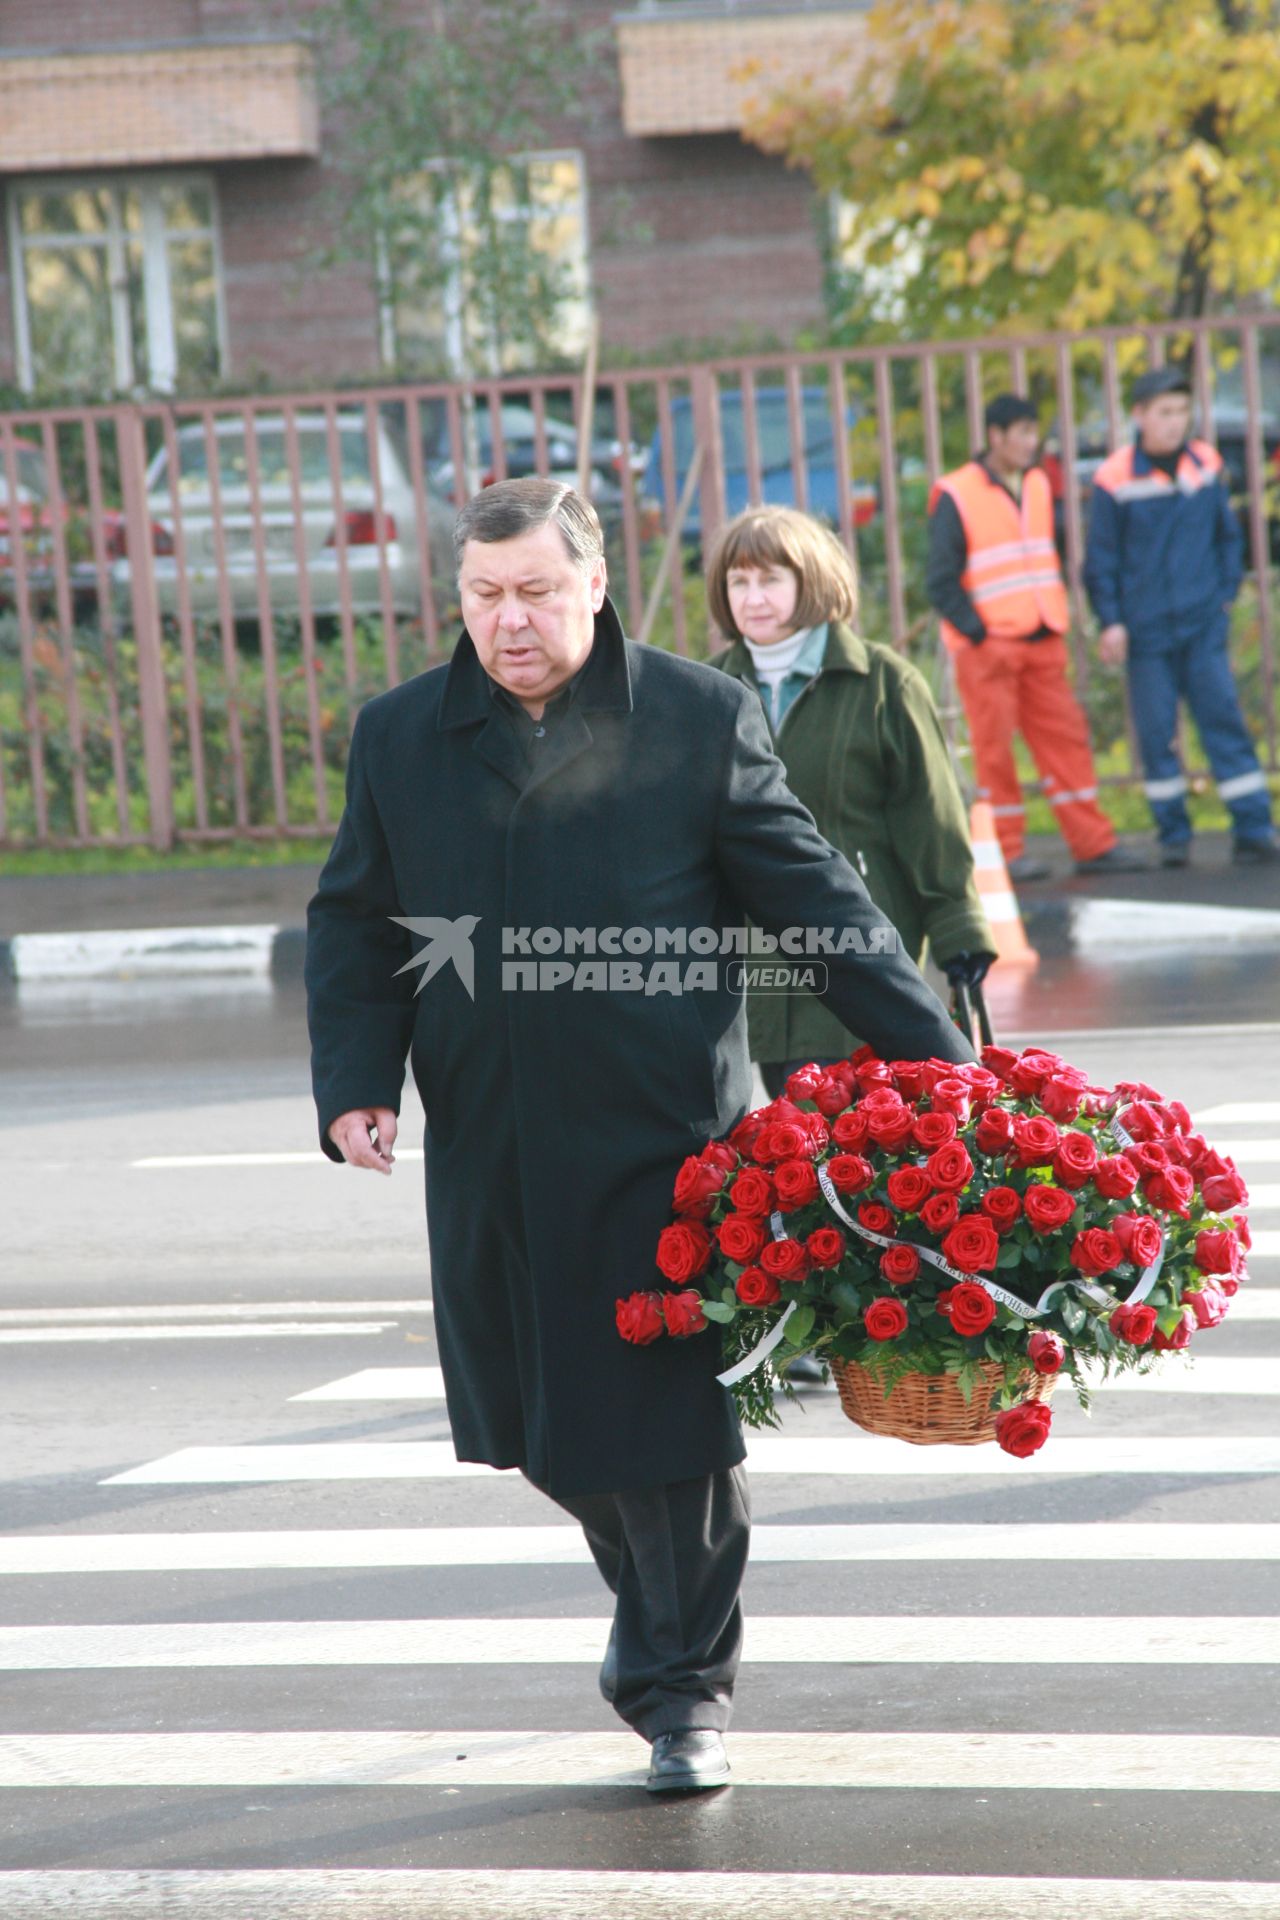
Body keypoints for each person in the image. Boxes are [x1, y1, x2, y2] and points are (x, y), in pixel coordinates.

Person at [305, 477, 974, 1798]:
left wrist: (947, 1066)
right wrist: (354, 1079)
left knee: (668, 1434)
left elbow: (819, 905)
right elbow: (354, 919)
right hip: (492, 1153)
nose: (510, 622)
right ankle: (658, 1640)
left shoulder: (695, 718)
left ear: (596, 585)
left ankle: (682, 1693)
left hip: (668, 1154)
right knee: (546, 1430)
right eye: (486, 596)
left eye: (537, 592)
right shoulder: (402, 737)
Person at [707, 503, 995, 1101]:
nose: (753, 597)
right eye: (739, 581)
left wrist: (959, 932)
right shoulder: (703, 693)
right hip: (759, 972)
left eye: (770, 579)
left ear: (810, 582)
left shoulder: (885, 685)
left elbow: (931, 822)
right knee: (794, 1157)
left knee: (879, 1152)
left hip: (865, 953)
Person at [927, 393, 1144, 883]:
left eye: (1034, 433)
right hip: (989, 647)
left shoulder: (1039, 483)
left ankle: (1093, 843)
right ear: (995, 436)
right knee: (994, 750)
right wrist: (978, 632)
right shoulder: (957, 492)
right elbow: (940, 579)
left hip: (1042, 637)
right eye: (1020, 433)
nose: (1029, 443)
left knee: (1065, 740)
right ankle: (1004, 851)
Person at [1083, 365, 1277, 867]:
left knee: (1222, 718)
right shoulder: (1115, 477)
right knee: (1155, 731)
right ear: (1139, 415)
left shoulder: (1205, 465)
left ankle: (1254, 827)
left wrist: (1224, 600)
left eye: (1182, 411)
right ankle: (1173, 835)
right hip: (1146, 630)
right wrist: (1112, 620)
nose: (1175, 422)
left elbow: (1227, 539)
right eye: (1164, 412)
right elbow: (1100, 560)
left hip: (1201, 623)